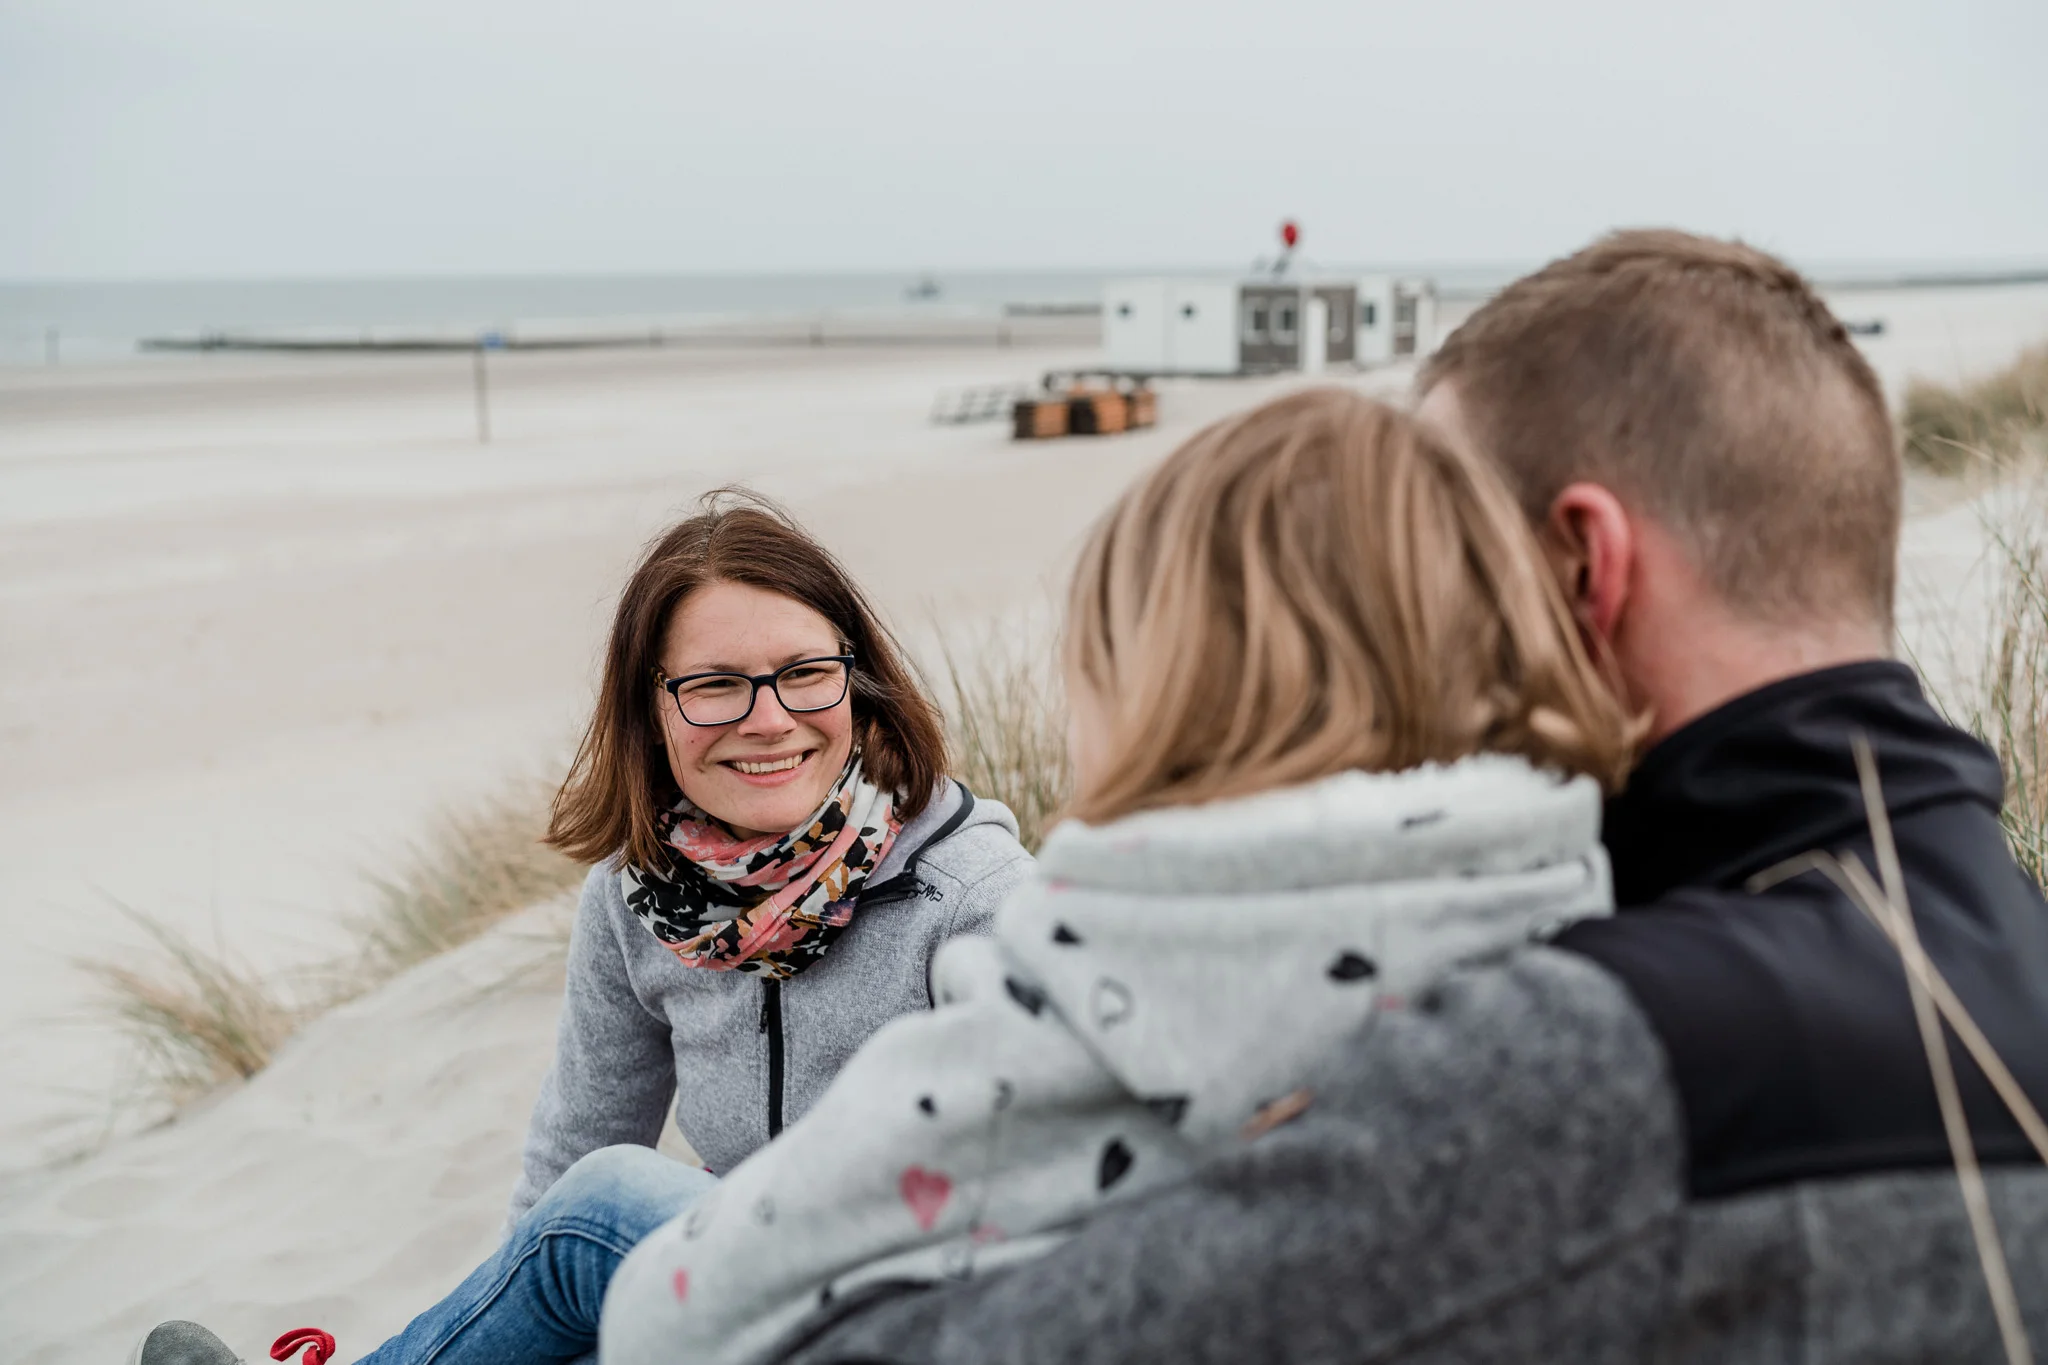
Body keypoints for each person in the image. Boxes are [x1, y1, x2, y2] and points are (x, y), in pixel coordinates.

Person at [762, 232, 2048, 1363]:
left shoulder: (1590, 1043)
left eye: (1434, 547)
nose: (1386, 605)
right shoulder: (1984, 926)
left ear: (1582, 564)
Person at [595, 387, 1638, 1364]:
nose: (768, 717)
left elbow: (667, 1315)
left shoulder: (1080, 980)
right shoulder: (1595, 923)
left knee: (598, 1212)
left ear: (1161, 699)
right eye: (717, 686)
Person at [131, 492, 1031, 1365]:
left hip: (940, 1311)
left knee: (614, 1197)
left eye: (803, 673)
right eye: (716, 685)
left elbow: (1058, 1182)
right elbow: (572, 1149)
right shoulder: (642, 899)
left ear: (856, 677)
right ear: (653, 707)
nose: (769, 718)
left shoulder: (966, 895)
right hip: (741, 1310)